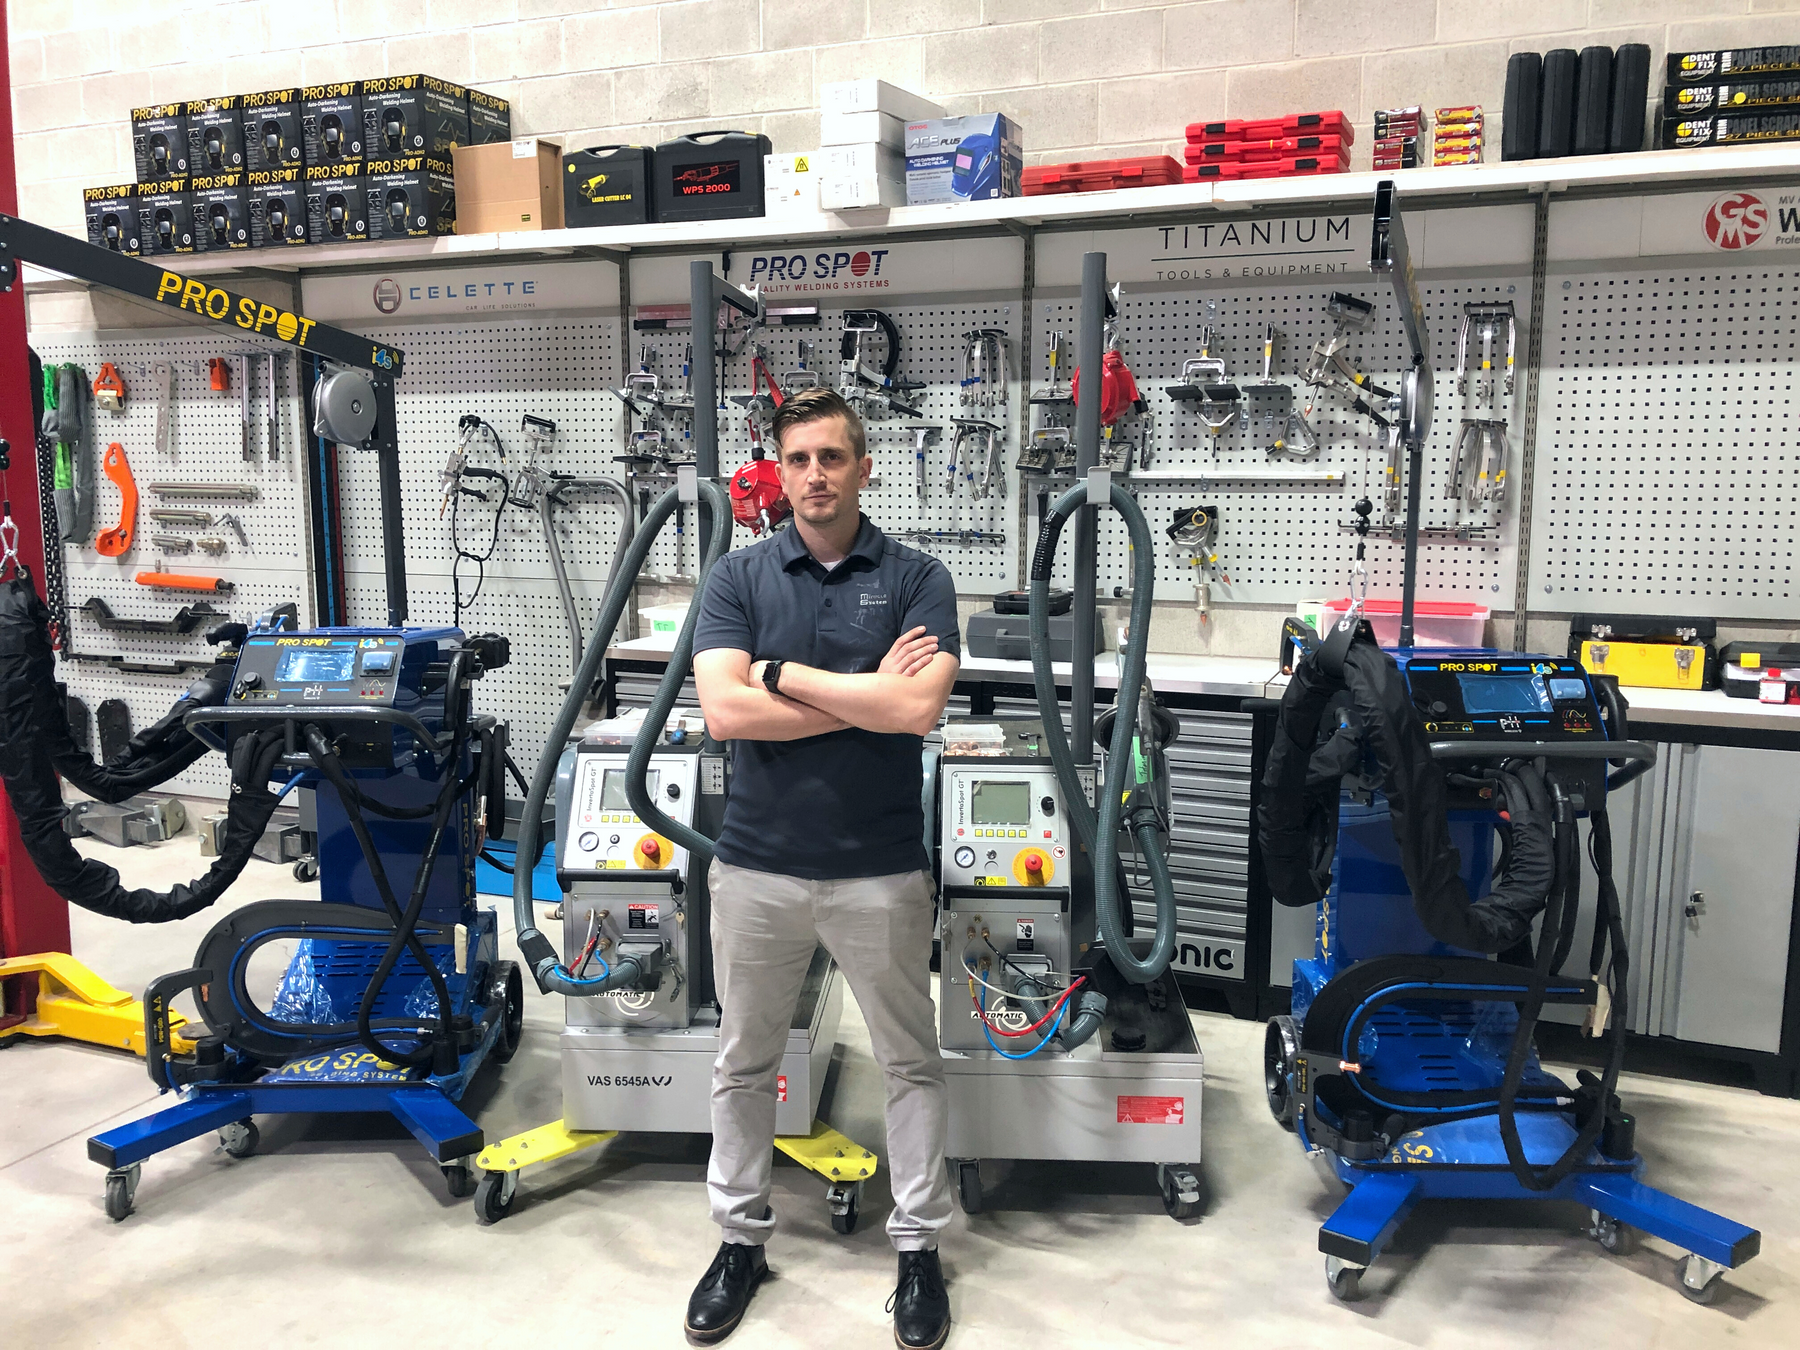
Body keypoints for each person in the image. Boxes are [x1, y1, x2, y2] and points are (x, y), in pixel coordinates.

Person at [685, 386, 960, 1349]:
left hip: (881, 869)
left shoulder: (920, 578)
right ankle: (738, 1241)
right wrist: (863, 693)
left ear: (863, 467)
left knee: (909, 1063)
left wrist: (782, 675)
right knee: (743, 1063)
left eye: (831, 458)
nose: (814, 476)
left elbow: (916, 710)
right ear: (780, 470)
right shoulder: (738, 577)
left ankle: (918, 1249)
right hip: (756, 867)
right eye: (798, 459)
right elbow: (726, 713)